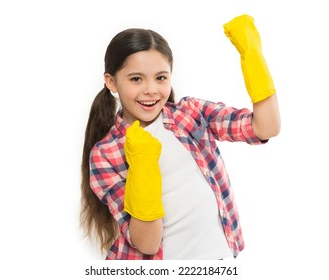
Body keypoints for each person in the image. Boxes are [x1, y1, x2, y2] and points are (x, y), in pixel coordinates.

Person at [80, 14, 280, 260]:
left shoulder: (191, 113)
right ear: (111, 82)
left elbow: (265, 127)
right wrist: (143, 166)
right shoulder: (105, 154)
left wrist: (252, 55)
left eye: (161, 77)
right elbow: (148, 244)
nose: (151, 89)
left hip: (220, 259)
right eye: (136, 79)